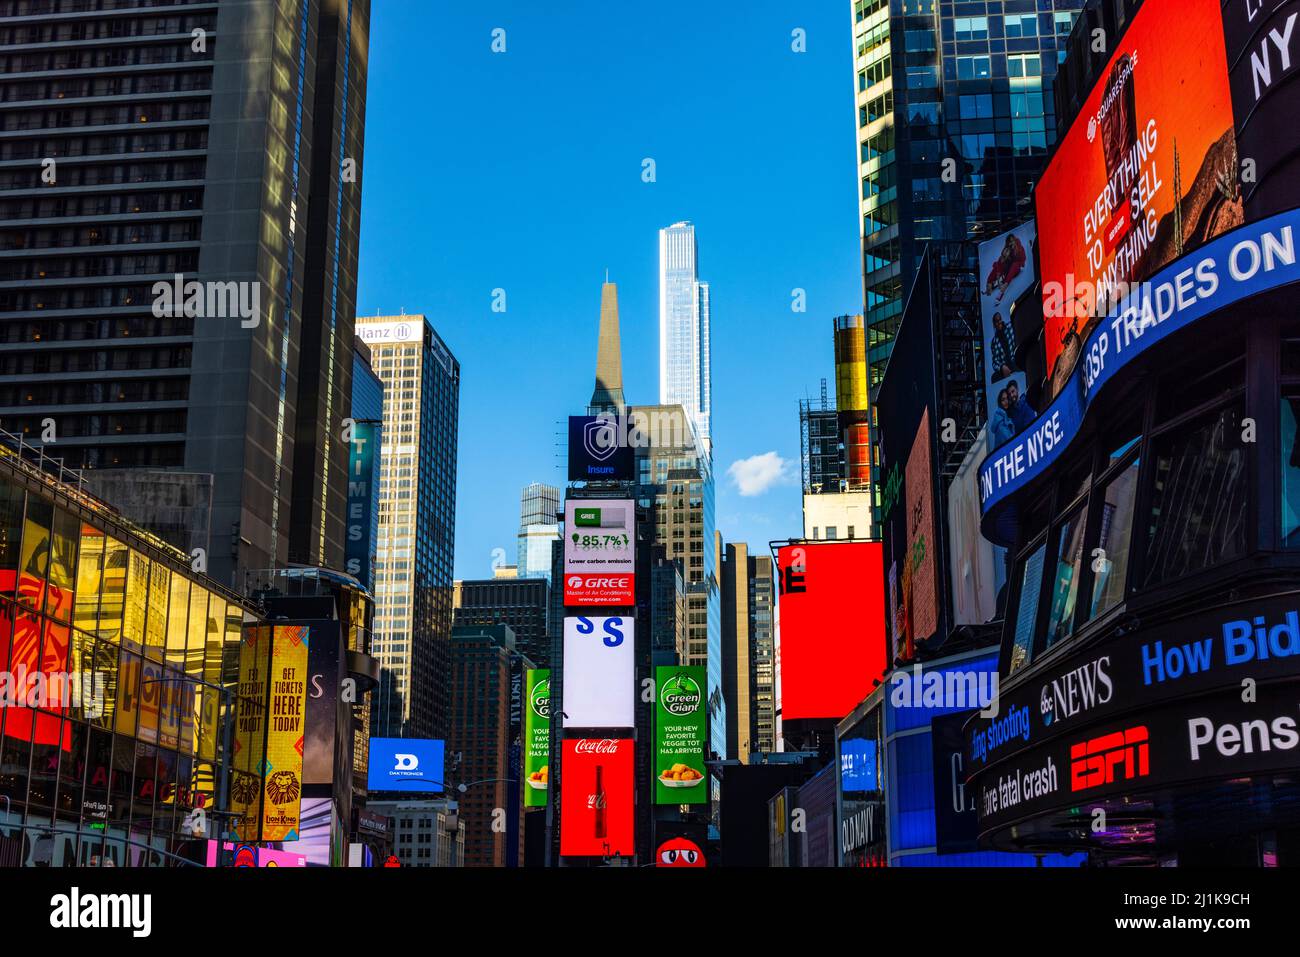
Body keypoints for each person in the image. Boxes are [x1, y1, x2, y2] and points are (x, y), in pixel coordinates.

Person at [990, 311, 1016, 380]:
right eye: (996, 321)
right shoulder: (994, 342)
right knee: (994, 377)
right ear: (994, 325)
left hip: (1016, 361)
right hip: (1005, 367)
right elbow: (994, 362)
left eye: (1000, 319)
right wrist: (1002, 367)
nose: (999, 322)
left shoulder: (1011, 327)